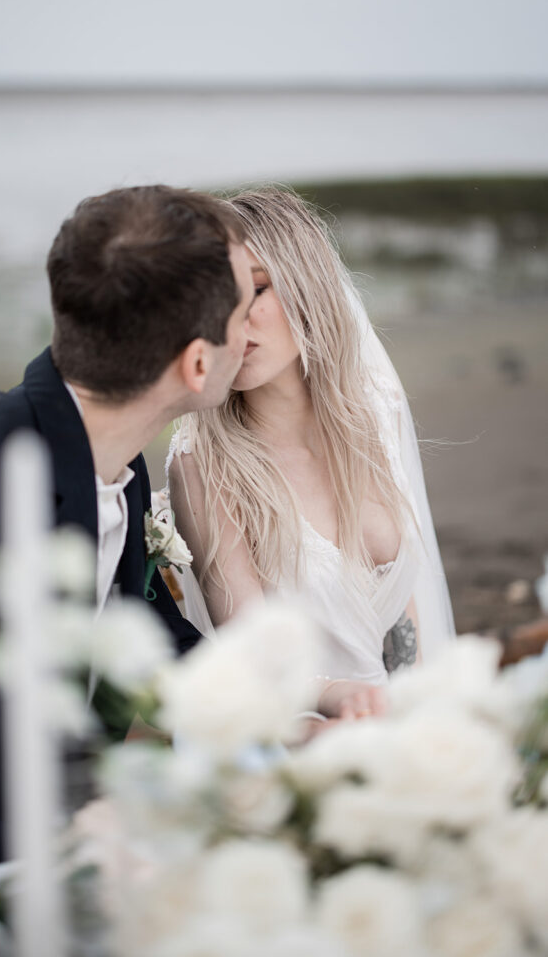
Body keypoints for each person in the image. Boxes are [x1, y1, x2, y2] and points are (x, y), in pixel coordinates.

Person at [0, 184, 255, 868]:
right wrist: (59, 852)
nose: (250, 334)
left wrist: (284, 716)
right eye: (245, 314)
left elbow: (157, 638)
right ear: (196, 365)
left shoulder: (114, 464)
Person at [168, 187, 455, 717]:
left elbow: (404, 617)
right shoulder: (202, 463)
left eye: (256, 289)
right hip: (298, 734)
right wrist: (344, 703)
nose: (233, 321)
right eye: (214, 301)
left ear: (306, 284)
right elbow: (251, 657)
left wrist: (411, 710)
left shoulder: (375, 413)